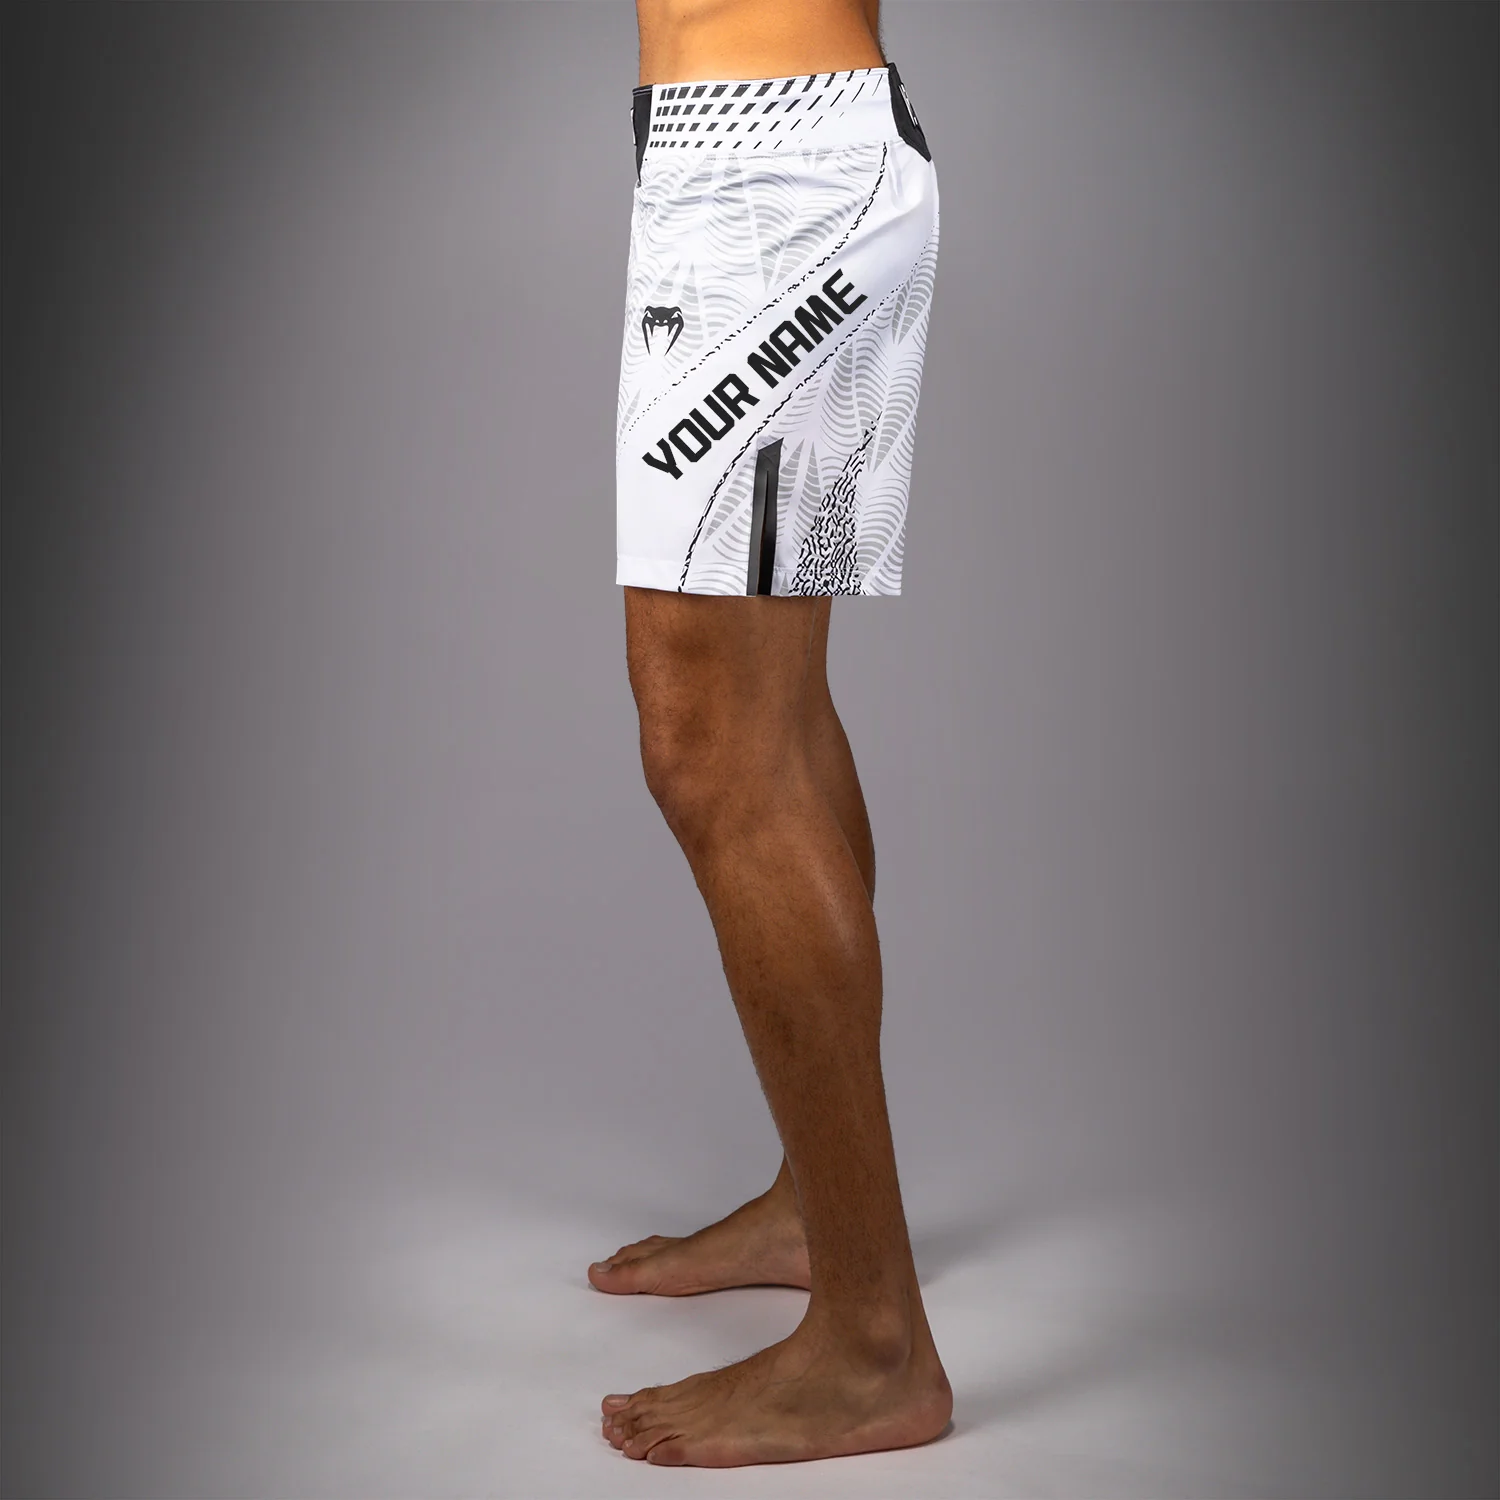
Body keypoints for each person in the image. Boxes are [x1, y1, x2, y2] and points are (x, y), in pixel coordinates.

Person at [594, 0, 948, 1467]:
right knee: (774, 725)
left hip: (768, 165)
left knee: (717, 745)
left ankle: (871, 1343)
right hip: (754, 154)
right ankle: (821, 1206)